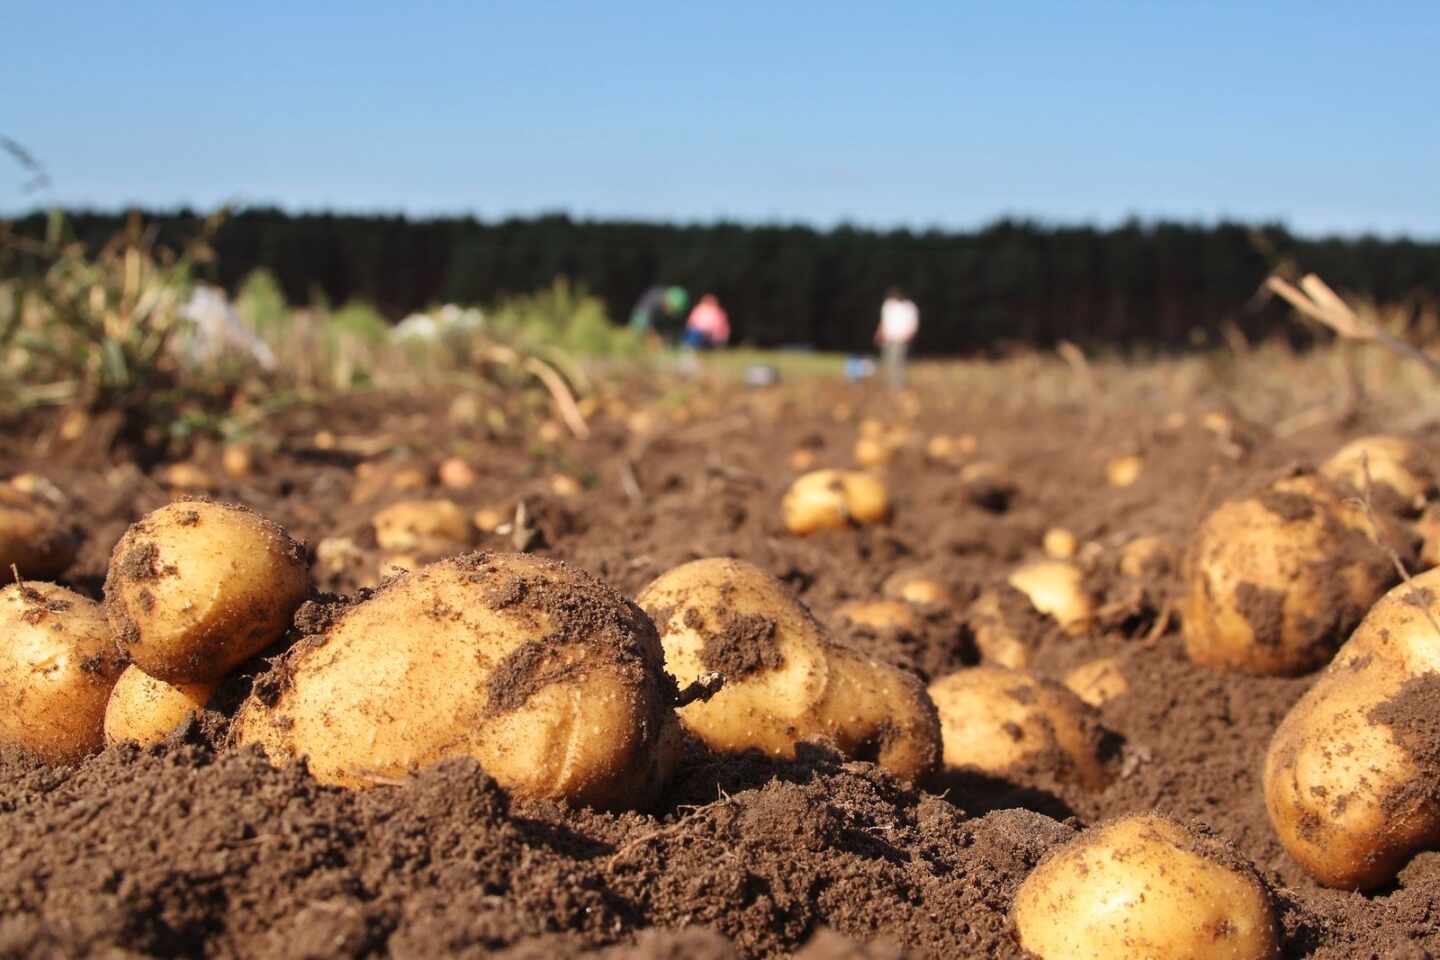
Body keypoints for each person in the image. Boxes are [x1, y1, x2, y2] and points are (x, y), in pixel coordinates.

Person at [875, 287, 918, 388]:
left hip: (901, 339)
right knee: (888, 360)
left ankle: (898, 384)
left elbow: (913, 324)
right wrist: (879, 333)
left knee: (897, 361)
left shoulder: (909, 307)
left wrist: (909, 335)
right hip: (888, 338)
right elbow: (884, 322)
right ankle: (890, 383)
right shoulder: (887, 306)